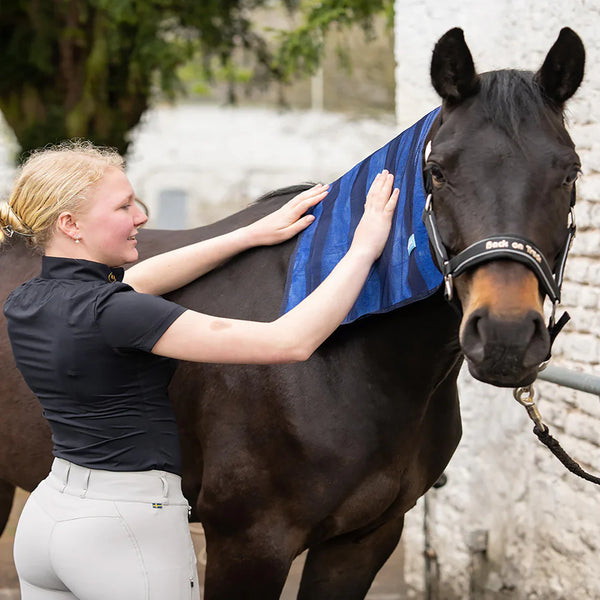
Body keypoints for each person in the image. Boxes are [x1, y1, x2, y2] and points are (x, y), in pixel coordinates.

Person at [0, 140, 399, 600]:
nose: (141, 216)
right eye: (124, 206)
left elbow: (140, 281)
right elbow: (291, 340)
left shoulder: (28, 299)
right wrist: (364, 250)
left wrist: (248, 234)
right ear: (70, 225)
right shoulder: (118, 314)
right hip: (125, 530)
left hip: (48, 519)